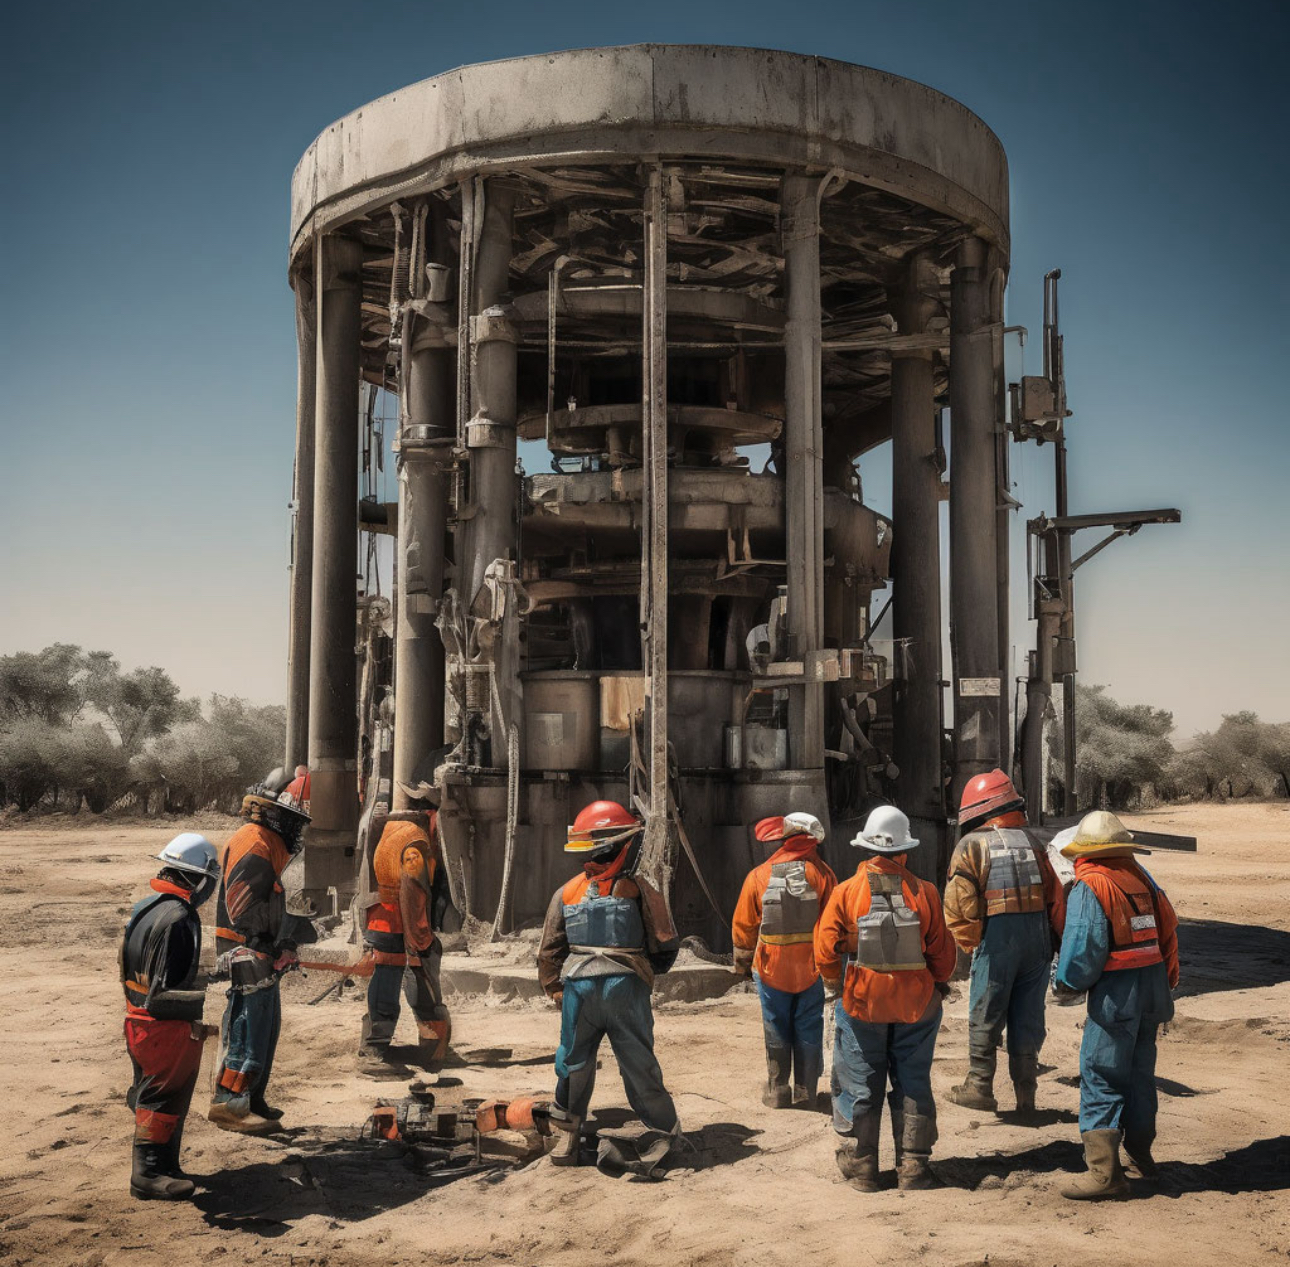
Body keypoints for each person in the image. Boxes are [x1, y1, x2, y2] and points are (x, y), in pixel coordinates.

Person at [815, 804, 957, 1191]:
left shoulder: (846, 892)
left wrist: (833, 983)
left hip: (863, 1004)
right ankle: (913, 1168)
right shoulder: (924, 892)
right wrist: (938, 984)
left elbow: (825, 948)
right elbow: (943, 954)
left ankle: (862, 1167)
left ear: (865, 849)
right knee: (913, 1080)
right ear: (905, 851)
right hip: (917, 1006)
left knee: (859, 1079)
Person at [536, 800, 682, 1168]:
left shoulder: (566, 892)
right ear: (622, 847)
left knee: (573, 1061)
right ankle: (663, 1134)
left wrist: (555, 989)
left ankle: (566, 1139)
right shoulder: (640, 889)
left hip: (578, 992)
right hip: (625, 988)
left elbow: (548, 950)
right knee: (638, 1062)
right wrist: (646, 971)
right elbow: (664, 942)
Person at [1056, 810, 1179, 1200]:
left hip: (1117, 996)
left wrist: (1067, 983)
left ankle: (1105, 1175)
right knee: (1140, 1073)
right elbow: (1169, 927)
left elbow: (1083, 950)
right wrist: (1165, 981)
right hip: (1153, 989)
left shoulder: (1091, 884)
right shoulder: (1143, 878)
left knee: (1102, 1073)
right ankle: (1142, 1157)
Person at [943, 769, 1066, 1114]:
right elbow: (1056, 898)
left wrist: (973, 945)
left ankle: (980, 1086)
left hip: (998, 940)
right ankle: (1026, 1096)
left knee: (986, 1010)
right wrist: (1053, 943)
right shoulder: (1034, 842)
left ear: (976, 809)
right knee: (1028, 1016)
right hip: (1037, 940)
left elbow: (958, 905)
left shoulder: (970, 846)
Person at [208, 779, 313, 1133]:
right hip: (247, 949)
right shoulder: (255, 842)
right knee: (249, 1026)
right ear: (276, 817)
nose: (297, 830)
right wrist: (266, 946)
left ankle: (252, 1098)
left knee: (265, 1027)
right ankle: (231, 1106)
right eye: (294, 821)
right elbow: (242, 905)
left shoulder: (262, 840)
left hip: (255, 947)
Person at [121, 833, 221, 1200]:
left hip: (137, 1018)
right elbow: (164, 990)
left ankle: (165, 1165)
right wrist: (203, 1003)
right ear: (199, 878)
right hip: (163, 1025)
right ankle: (146, 1174)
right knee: (162, 1098)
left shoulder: (146, 907)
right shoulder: (181, 917)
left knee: (163, 1095)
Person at [731, 812, 837, 1108]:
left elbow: (743, 925)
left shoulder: (759, 875)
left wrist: (741, 964)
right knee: (808, 1025)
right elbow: (832, 925)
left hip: (770, 966)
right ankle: (806, 1092)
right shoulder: (824, 875)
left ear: (784, 838)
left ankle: (778, 1090)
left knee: (776, 1024)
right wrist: (833, 967)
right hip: (811, 968)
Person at [357, 809, 453, 1076]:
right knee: (413, 988)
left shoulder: (388, 831)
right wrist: (421, 939)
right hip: (397, 924)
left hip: (380, 920)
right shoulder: (414, 840)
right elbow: (413, 891)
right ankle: (378, 1052)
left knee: (384, 985)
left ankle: (376, 1048)